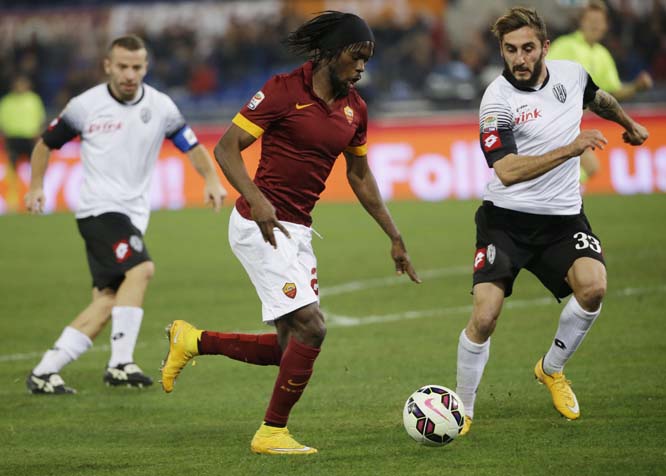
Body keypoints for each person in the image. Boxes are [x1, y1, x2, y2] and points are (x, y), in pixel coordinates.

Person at [160, 11, 420, 455]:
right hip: (258, 225)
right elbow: (226, 149)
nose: (362, 67)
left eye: (367, 60)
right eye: (356, 57)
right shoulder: (283, 91)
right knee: (312, 328)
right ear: (330, 53)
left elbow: (359, 175)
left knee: (290, 348)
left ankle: (193, 340)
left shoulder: (356, 108)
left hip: (297, 231)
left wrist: (394, 236)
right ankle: (271, 432)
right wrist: (256, 198)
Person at [455, 6, 648, 435]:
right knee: (485, 316)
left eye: (527, 48)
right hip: (505, 222)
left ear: (544, 46)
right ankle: (462, 412)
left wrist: (629, 124)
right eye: (510, 50)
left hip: (562, 218)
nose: (519, 59)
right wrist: (571, 148)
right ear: (501, 51)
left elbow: (600, 99)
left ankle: (551, 368)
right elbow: (505, 170)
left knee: (594, 287)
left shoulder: (570, 74)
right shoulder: (496, 100)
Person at [24, 35, 227, 395]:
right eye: (122, 66)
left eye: (137, 67)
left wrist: (210, 178)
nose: (130, 74)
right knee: (142, 269)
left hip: (133, 215)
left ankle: (45, 371)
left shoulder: (161, 106)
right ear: (108, 66)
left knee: (107, 302)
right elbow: (45, 144)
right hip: (99, 210)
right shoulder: (86, 106)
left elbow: (191, 146)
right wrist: (36, 186)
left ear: (145, 67)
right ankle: (120, 363)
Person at [548, 0, 653, 181]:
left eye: (600, 21)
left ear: (606, 26)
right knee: (589, 166)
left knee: (588, 167)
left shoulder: (602, 54)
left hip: (570, 122)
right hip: (552, 119)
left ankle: (551, 193)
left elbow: (612, 93)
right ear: (581, 22)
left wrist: (636, 86)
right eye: (591, 20)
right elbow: (544, 78)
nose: (596, 25)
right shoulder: (565, 46)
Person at [0, 75, 45, 212]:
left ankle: (36, 200)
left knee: (35, 170)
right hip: (13, 139)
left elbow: (40, 118)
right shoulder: (7, 101)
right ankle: (12, 202)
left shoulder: (33, 100)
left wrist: (38, 134)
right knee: (13, 171)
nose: (20, 87)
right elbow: (2, 120)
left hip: (30, 138)